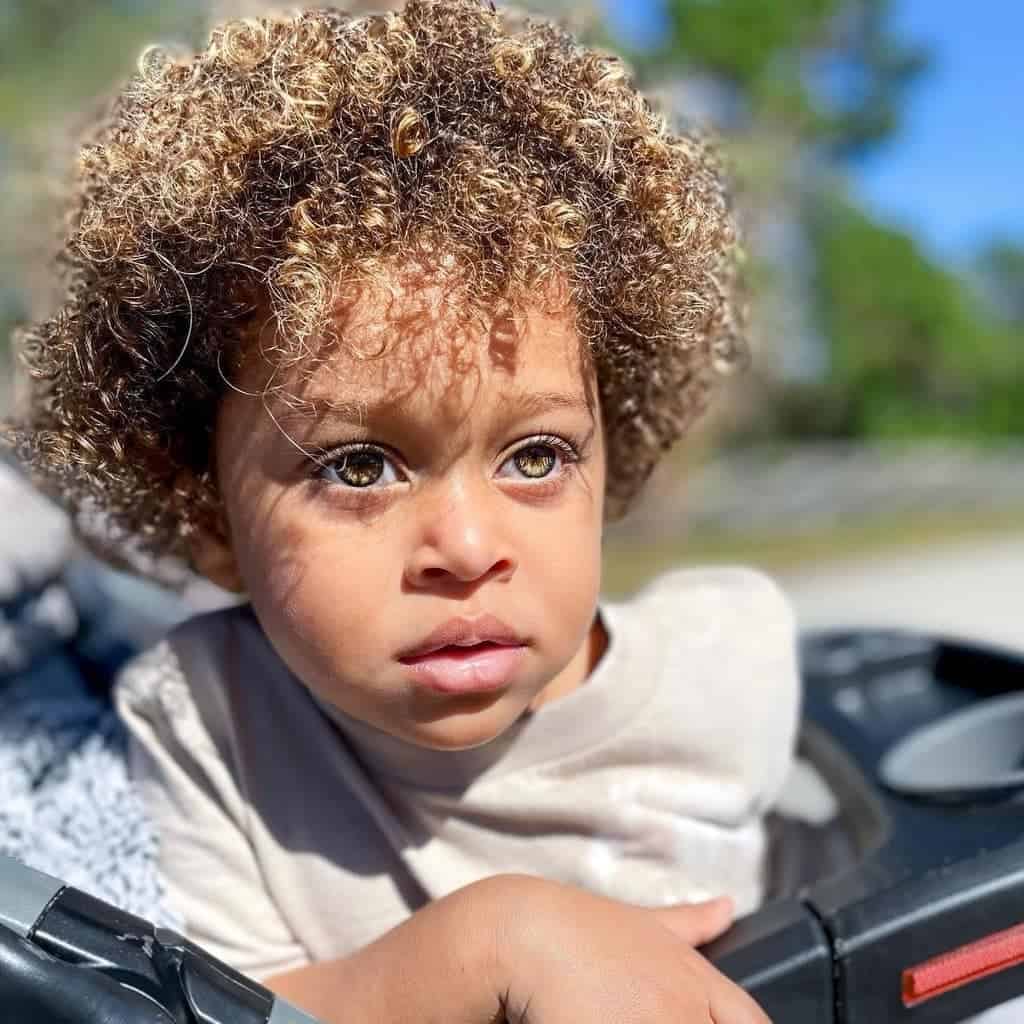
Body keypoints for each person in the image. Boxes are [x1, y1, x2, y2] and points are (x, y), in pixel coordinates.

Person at [6, 1, 799, 1020]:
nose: (467, 549)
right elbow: (224, 1003)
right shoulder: (210, 722)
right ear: (206, 514)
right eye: (360, 466)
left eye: (536, 453)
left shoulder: (728, 665)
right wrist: (497, 942)